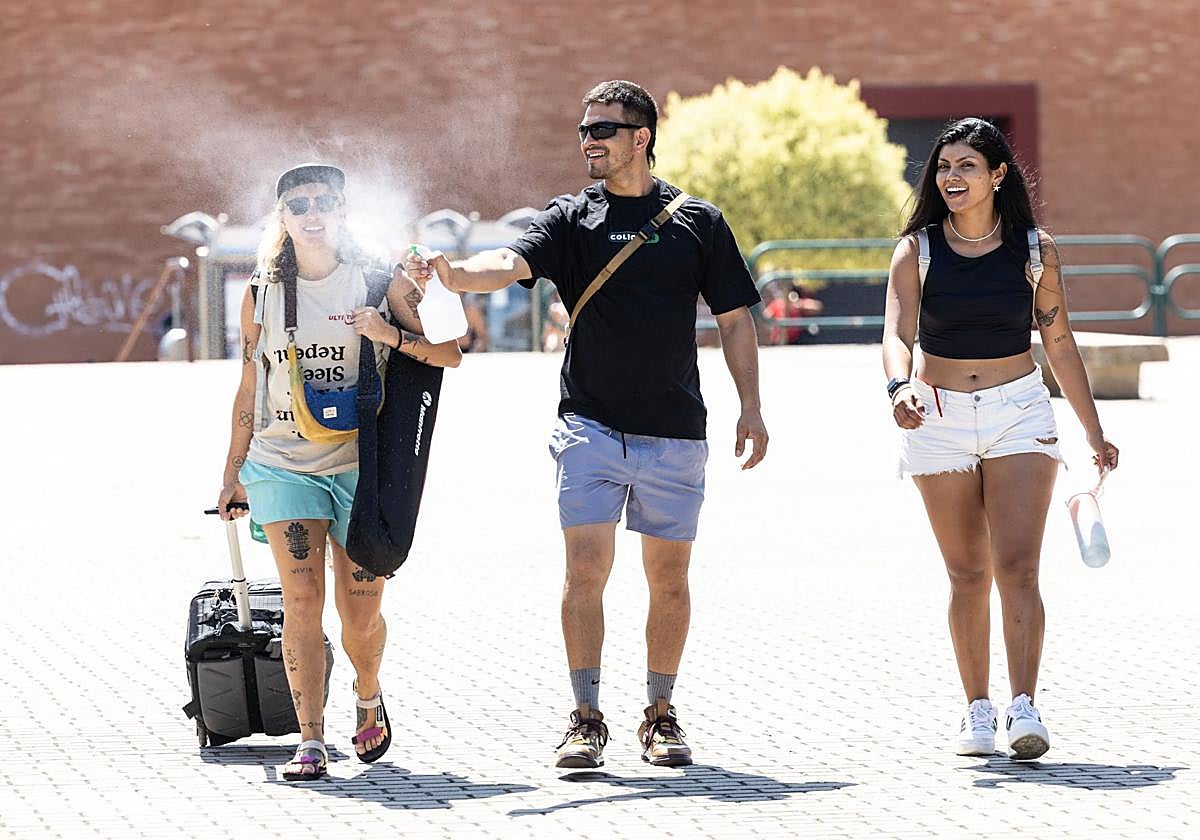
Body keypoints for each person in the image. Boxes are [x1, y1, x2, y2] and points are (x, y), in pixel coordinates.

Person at [405, 80, 768, 768]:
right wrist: (453, 273)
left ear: (642, 137)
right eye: (583, 130)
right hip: (589, 426)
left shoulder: (698, 222)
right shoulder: (571, 218)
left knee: (668, 578)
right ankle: (586, 718)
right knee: (585, 570)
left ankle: (660, 715)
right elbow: (510, 263)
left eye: (604, 129)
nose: (589, 141)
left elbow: (734, 320)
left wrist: (751, 406)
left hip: (674, 430)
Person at [882, 119, 1119, 760]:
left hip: (1019, 411)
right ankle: (977, 711)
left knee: (1018, 568)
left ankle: (1024, 706)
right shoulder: (917, 250)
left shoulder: (1035, 249)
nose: (951, 178)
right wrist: (898, 387)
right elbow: (897, 335)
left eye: (965, 166)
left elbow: (1059, 341)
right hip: (936, 417)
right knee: (966, 573)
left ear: (997, 175)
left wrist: (1093, 432)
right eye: (943, 168)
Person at [216, 163, 461, 780]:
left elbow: (450, 354)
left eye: (325, 200)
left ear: (343, 209)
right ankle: (311, 737)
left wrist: (387, 332)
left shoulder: (381, 281)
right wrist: (232, 472)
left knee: (360, 612)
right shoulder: (262, 291)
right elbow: (250, 384)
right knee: (300, 599)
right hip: (282, 464)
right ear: (283, 218)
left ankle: (369, 694)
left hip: (361, 466)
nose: (313, 212)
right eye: (298, 204)